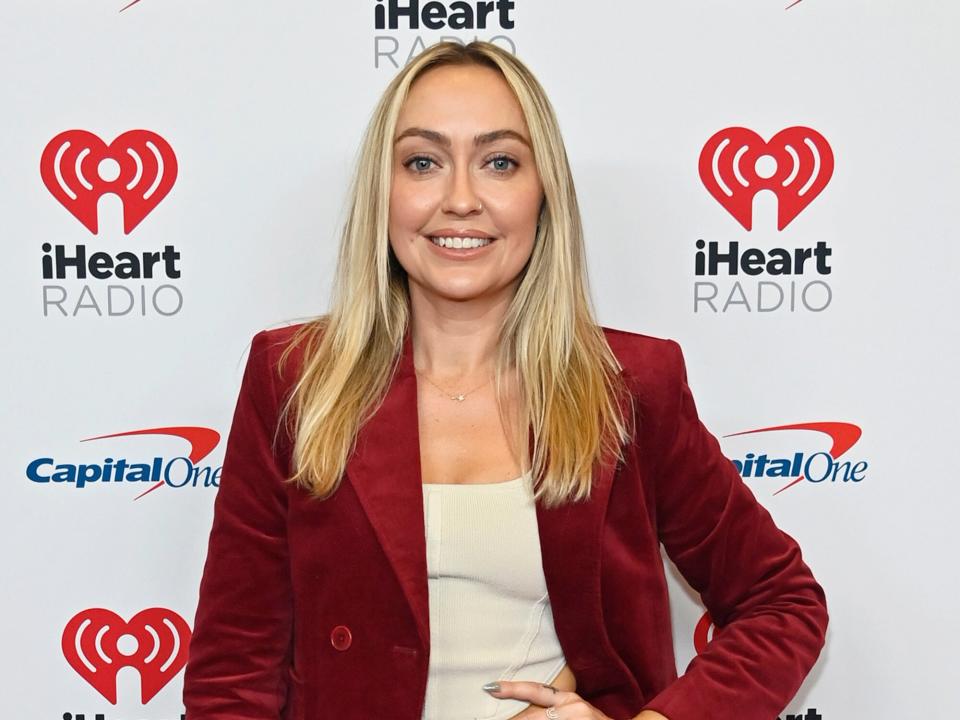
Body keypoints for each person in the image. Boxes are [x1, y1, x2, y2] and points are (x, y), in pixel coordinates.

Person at [182, 41, 828, 720]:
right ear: (384, 188)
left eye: (499, 162)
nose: (460, 200)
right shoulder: (293, 380)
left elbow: (781, 603)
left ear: (543, 192)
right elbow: (233, 672)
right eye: (423, 162)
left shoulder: (631, 387)